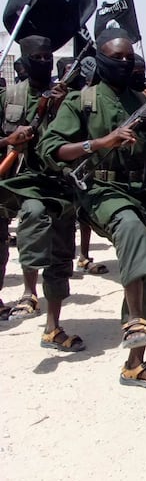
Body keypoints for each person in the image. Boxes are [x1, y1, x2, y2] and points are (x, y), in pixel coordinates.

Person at [39, 27, 146, 389]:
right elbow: (51, 149)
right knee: (130, 229)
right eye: (117, 58)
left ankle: (135, 363)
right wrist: (99, 142)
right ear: (100, 59)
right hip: (100, 190)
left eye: (130, 57)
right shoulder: (83, 101)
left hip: (144, 192)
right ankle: (133, 319)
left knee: (145, 267)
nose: (125, 62)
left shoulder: (140, 101)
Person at [0, 37, 78, 350]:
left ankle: (52, 324)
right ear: (24, 59)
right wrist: (9, 141)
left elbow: (78, 140)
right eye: (38, 56)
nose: (44, 61)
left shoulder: (67, 98)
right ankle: (27, 293)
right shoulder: (9, 95)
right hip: (13, 181)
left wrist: (61, 108)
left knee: (59, 253)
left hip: (55, 182)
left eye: (49, 56)